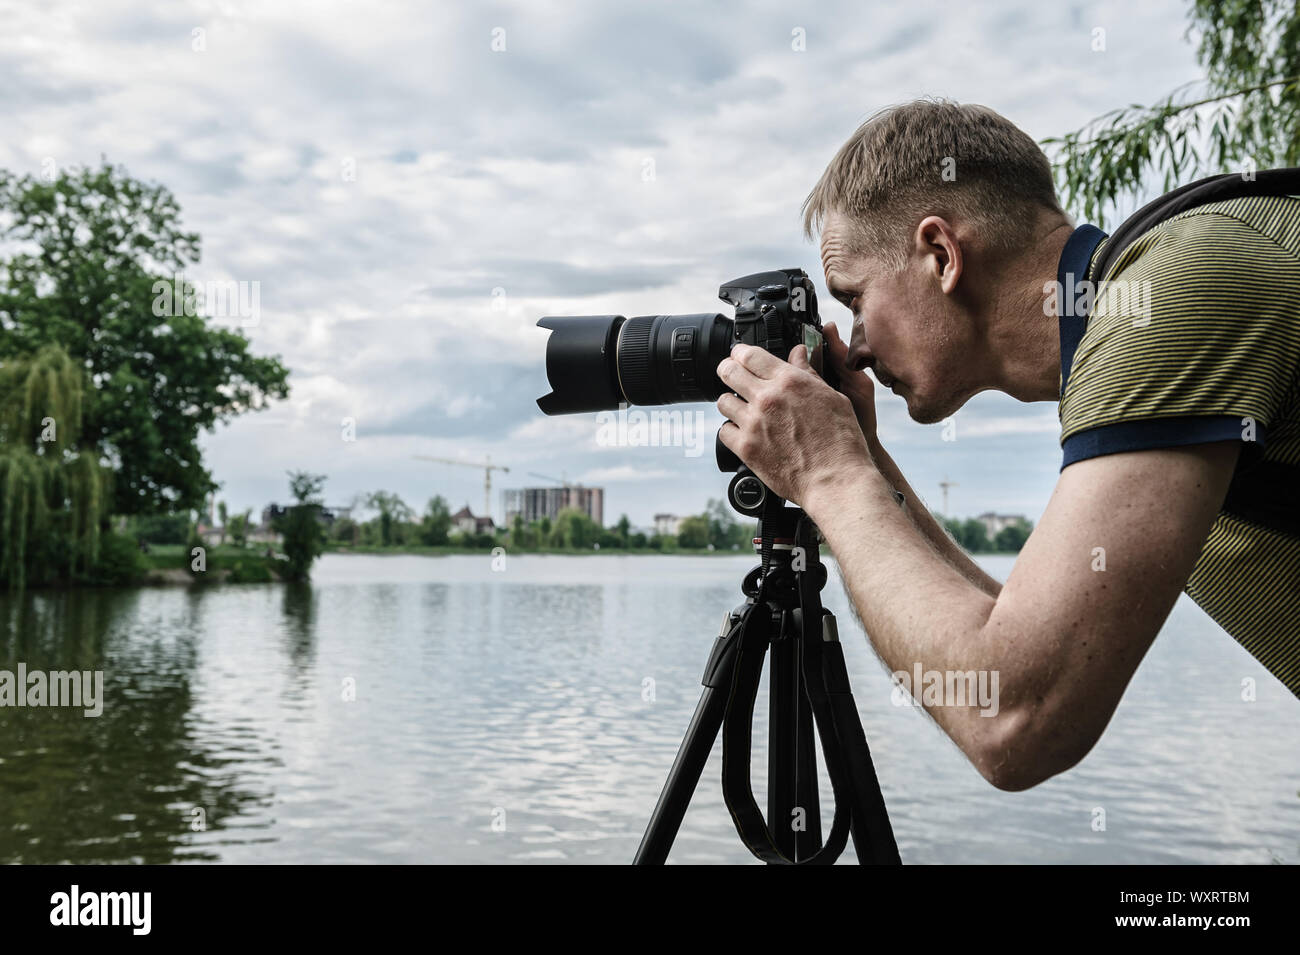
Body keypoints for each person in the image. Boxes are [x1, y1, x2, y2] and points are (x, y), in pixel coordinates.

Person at [715, 98, 1300, 791]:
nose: (857, 347)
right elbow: (1017, 635)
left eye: (855, 299)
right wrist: (861, 459)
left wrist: (831, 478)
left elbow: (1015, 712)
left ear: (941, 254)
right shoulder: (1134, 317)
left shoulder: (1176, 288)